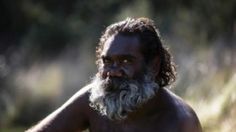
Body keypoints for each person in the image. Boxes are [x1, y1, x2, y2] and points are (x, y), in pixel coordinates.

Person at [26, 17, 202, 132]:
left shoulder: (180, 122)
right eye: (107, 62)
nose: (113, 72)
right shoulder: (94, 99)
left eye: (126, 61)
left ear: (154, 66)